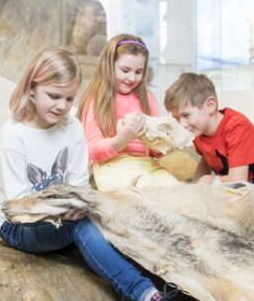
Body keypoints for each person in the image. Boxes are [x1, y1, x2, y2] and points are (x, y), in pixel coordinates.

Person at [0, 46, 206, 301]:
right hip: (21, 225)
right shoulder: (12, 137)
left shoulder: (73, 127)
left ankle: (186, 284)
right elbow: (19, 207)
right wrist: (68, 213)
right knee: (78, 225)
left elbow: (80, 185)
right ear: (32, 89)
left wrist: (82, 205)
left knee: (109, 216)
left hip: (67, 213)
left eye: (69, 98)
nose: (62, 106)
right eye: (53, 96)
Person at [164, 72, 254, 201]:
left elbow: (238, 182)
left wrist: (210, 181)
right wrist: (194, 188)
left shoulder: (236, 127)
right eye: (177, 118)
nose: (182, 124)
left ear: (210, 105)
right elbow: (206, 160)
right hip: (244, 185)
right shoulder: (200, 131)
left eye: (186, 115)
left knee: (234, 202)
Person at [77, 33, 180, 192]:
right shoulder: (96, 100)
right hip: (111, 164)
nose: (132, 78)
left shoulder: (148, 99)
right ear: (109, 65)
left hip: (146, 163)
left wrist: (162, 144)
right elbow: (91, 151)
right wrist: (122, 139)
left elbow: (152, 152)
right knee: (149, 196)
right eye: (125, 70)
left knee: (179, 194)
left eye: (138, 72)